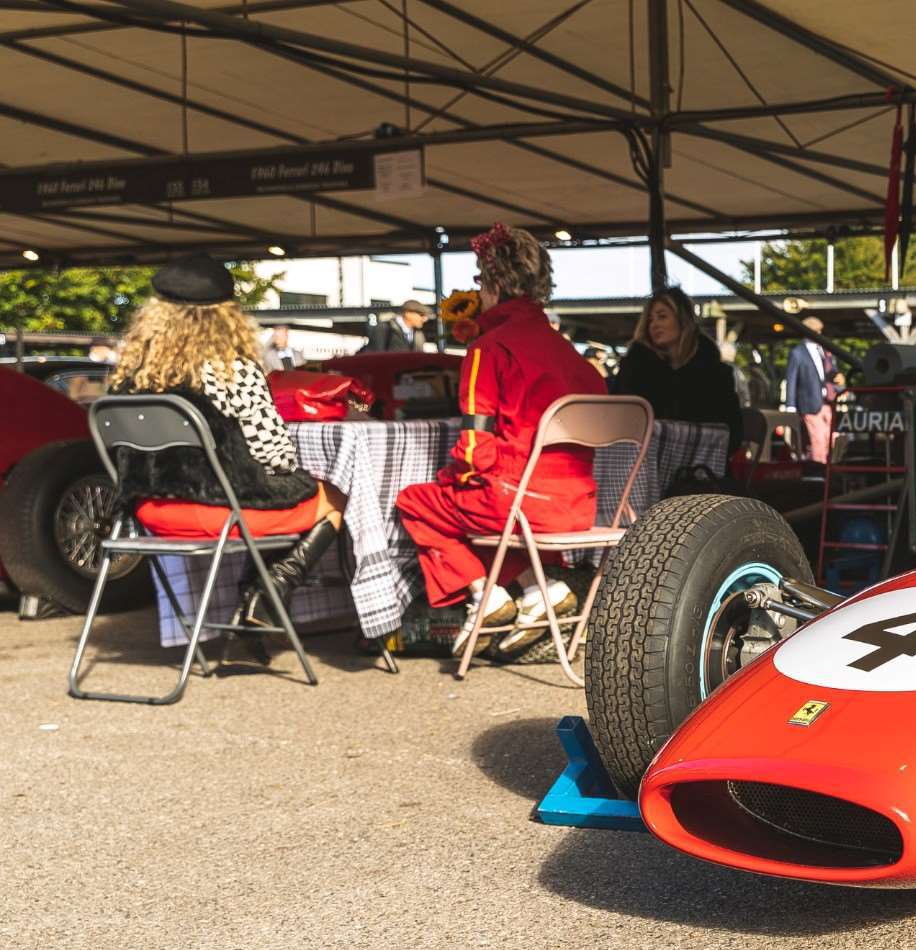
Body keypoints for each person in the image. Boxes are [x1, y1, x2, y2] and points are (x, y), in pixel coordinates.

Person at [394, 225, 605, 657]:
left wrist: (454, 476)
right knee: (486, 511)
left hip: (520, 501)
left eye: (479, 279)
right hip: (579, 507)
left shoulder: (488, 349)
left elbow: (475, 449)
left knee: (421, 501)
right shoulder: (574, 358)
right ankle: (540, 590)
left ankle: (488, 597)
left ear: (494, 284)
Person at [106, 254, 343, 632]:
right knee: (330, 495)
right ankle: (267, 593)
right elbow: (275, 456)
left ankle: (259, 602)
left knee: (278, 493)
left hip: (150, 509)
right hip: (219, 510)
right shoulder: (233, 370)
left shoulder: (131, 376)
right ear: (226, 316)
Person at [609, 287, 743, 438]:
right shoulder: (635, 370)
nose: (654, 325)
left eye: (662, 316)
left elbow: (731, 433)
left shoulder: (715, 374)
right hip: (643, 459)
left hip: (701, 459)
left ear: (683, 320)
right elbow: (618, 422)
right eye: (650, 320)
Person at [783, 316, 837, 464]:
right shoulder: (797, 353)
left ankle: (828, 468)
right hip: (810, 403)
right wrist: (791, 406)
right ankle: (819, 470)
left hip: (828, 402)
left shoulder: (825, 351)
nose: (819, 334)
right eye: (816, 331)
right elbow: (791, 379)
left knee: (830, 439)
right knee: (818, 439)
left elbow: (832, 373)